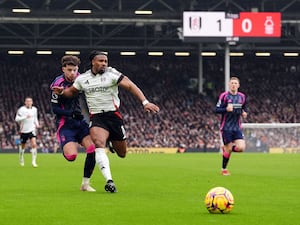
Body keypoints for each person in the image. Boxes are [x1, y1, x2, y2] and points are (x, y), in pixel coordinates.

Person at [52, 51, 160, 189]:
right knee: (98, 144)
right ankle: (109, 181)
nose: (104, 63)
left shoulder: (112, 74)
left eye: (106, 61)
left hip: (114, 116)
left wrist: (145, 102)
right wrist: (61, 92)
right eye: (101, 61)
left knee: (122, 153)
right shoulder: (83, 79)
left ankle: (110, 140)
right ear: (93, 62)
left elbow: (130, 85)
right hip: (97, 117)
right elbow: (71, 92)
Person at [50, 55, 116, 192]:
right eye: (69, 70)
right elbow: (54, 108)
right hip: (66, 124)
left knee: (92, 148)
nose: (72, 73)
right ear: (63, 69)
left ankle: (85, 184)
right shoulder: (57, 84)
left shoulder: (82, 79)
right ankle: (66, 147)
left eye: (74, 70)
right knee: (71, 156)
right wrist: (70, 114)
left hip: (80, 122)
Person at [215, 76, 248, 176]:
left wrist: (244, 113)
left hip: (237, 127)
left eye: (235, 83)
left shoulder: (242, 96)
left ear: (238, 85)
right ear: (229, 85)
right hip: (226, 127)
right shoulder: (224, 96)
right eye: (232, 83)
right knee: (228, 150)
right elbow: (216, 110)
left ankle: (225, 148)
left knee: (241, 148)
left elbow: (244, 108)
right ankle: (224, 169)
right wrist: (225, 109)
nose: (233, 85)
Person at [15, 97, 40, 167]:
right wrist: (25, 117)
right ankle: (21, 158)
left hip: (32, 129)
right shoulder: (21, 109)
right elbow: (16, 119)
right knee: (23, 146)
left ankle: (34, 162)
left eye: (30, 101)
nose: (29, 102)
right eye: (27, 101)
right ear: (25, 102)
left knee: (34, 144)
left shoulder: (35, 109)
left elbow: (35, 118)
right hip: (23, 130)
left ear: (32, 102)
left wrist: (37, 124)